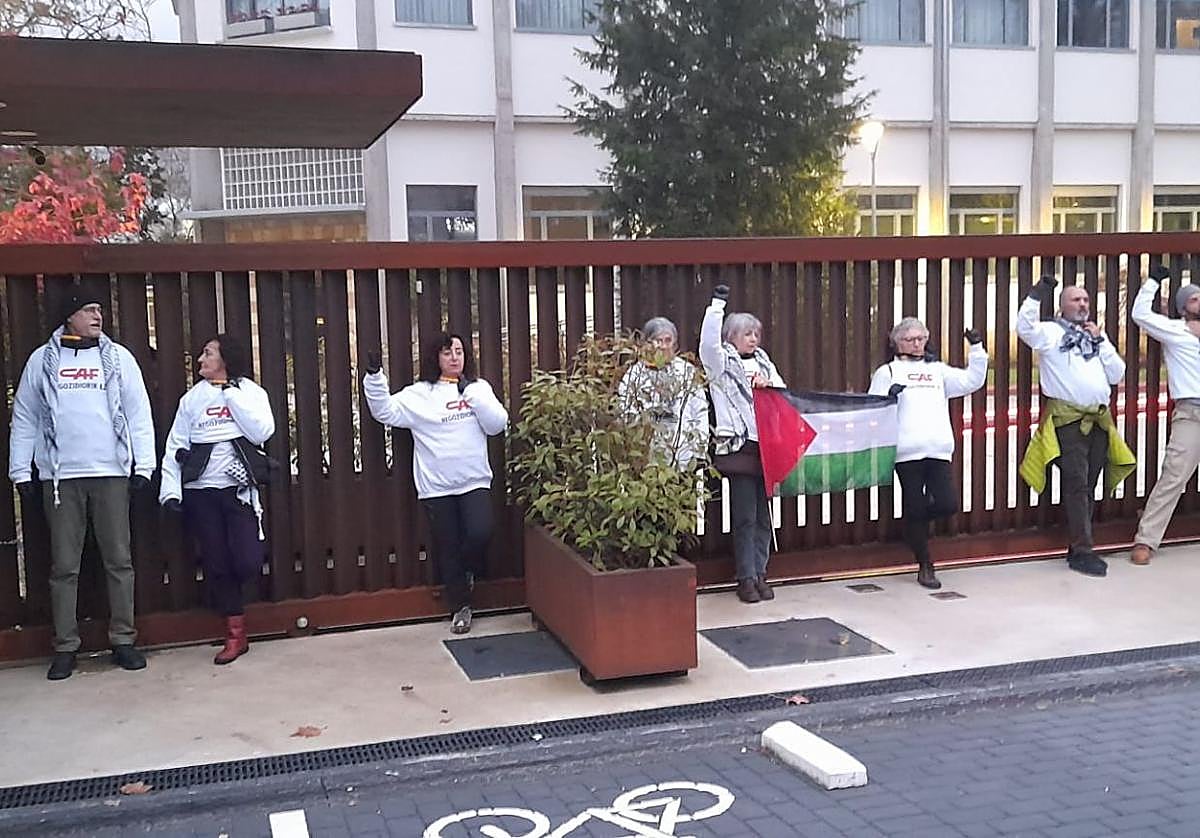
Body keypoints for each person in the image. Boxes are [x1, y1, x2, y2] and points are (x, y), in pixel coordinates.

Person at [8, 289, 156, 680]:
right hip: (60, 476)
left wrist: (144, 466)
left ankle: (123, 639)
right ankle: (65, 647)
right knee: (64, 566)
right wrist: (21, 471)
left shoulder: (119, 358)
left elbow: (139, 412)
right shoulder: (42, 361)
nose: (97, 316)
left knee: (119, 562)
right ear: (69, 315)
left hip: (111, 472)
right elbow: (24, 417)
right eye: (89, 309)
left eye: (99, 310)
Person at [362, 333, 508, 634]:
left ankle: (469, 571)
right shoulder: (420, 394)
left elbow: (497, 425)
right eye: (447, 352)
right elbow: (385, 412)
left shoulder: (478, 388)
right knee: (448, 547)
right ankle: (460, 606)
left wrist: (473, 396)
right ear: (435, 358)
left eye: (458, 351)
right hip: (436, 487)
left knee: (480, 532)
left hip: (474, 481)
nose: (454, 357)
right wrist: (374, 378)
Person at [159, 334, 275, 665]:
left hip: (238, 492)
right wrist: (170, 491)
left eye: (207, 353)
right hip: (201, 493)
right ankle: (236, 634)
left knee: (247, 560)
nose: (200, 359)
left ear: (225, 358)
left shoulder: (251, 392)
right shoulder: (191, 400)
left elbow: (261, 432)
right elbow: (175, 447)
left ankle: (231, 601)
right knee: (218, 564)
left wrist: (229, 394)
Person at [1017, 276, 1135, 577]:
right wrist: (1035, 295)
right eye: (1075, 300)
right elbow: (1025, 328)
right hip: (1068, 421)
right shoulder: (1051, 333)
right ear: (1062, 305)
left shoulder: (1095, 337)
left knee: (1089, 483)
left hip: (1098, 420)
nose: (1082, 304)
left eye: (1085, 300)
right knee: (1077, 484)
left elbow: (1117, 372)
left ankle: (1078, 545)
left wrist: (1100, 340)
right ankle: (1083, 551)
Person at [868, 318, 988, 589]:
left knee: (947, 504)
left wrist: (977, 348)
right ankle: (925, 565)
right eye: (910, 339)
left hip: (938, 450)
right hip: (906, 453)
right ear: (896, 342)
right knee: (915, 504)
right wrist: (889, 396)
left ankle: (912, 526)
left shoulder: (937, 370)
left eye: (921, 338)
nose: (917, 344)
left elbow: (972, 381)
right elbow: (873, 406)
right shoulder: (887, 371)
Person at [699, 284, 785, 604]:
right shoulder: (720, 364)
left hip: (767, 450)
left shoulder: (765, 362)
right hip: (738, 448)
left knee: (765, 517)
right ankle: (745, 577)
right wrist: (717, 306)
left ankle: (761, 572)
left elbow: (783, 397)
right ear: (731, 336)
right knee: (745, 516)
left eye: (756, 334)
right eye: (747, 333)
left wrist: (770, 385)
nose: (753, 339)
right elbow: (707, 343)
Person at [1129, 264, 1200, 566]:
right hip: (1192, 412)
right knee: (1174, 475)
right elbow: (1140, 314)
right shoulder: (1174, 329)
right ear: (1184, 307)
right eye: (1195, 298)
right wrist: (1154, 282)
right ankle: (1146, 539)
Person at [617, 317, 709, 472]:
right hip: (647, 457)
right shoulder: (635, 374)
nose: (664, 346)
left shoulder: (686, 371)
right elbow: (625, 411)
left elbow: (700, 411)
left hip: (683, 456)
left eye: (668, 340)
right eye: (658, 340)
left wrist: (699, 451)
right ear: (647, 344)